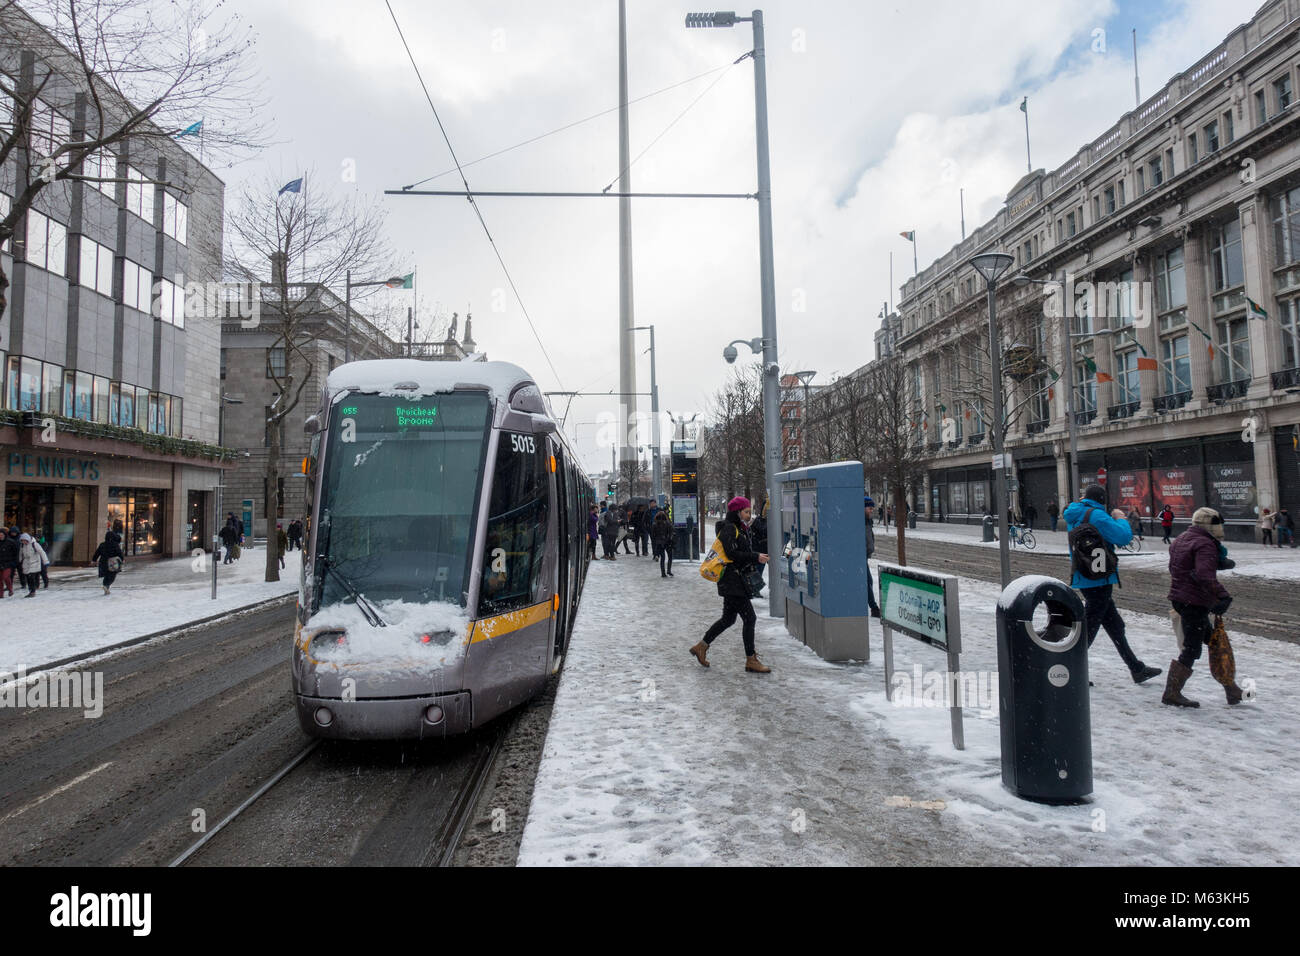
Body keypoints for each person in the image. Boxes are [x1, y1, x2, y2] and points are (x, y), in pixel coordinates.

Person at [1064, 484, 1162, 685]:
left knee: (1114, 626)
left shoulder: (1073, 514)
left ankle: (1136, 668)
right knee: (1089, 628)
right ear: (1102, 500)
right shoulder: (1097, 516)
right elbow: (1123, 537)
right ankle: (1068, 669)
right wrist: (1121, 518)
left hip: (1084, 574)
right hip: (1100, 578)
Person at [689, 496, 771, 673]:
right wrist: (755, 556)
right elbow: (732, 554)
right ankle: (751, 659)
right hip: (732, 581)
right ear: (737, 511)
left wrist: (755, 555)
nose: (749, 514)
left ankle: (701, 647)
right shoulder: (729, 528)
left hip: (734, 581)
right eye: (746, 511)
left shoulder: (739, 528)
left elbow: (740, 552)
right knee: (750, 618)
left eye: (749, 511)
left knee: (728, 619)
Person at [1166, 507, 1237, 707]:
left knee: (1214, 642)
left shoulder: (1182, 538)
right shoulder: (1205, 544)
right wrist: (1223, 596)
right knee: (1192, 649)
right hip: (1194, 601)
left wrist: (1217, 563)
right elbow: (1203, 575)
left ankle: (1232, 689)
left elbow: (1180, 566)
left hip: (1181, 598)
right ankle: (1172, 693)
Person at [863, 496, 881, 618]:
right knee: (867, 581)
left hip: (863, 556)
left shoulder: (868, 521)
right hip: (858, 557)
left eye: (872, 508)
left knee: (868, 581)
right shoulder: (860, 521)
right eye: (870, 508)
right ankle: (874, 608)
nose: (871, 510)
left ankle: (874, 608)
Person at [747, 498, 769, 597]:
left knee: (760, 570)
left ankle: (754, 589)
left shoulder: (759, 521)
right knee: (758, 571)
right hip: (760, 550)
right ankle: (754, 590)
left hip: (765, 549)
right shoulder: (758, 521)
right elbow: (763, 531)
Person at [92, 530, 124, 596]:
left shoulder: (102, 544)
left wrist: (94, 560)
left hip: (103, 562)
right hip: (112, 562)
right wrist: (122, 559)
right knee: (112, 575)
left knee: (106, 575)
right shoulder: (115, 545)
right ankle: (106, 586)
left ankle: (106, 586)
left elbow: (97, 553)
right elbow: (119, 553)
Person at [18, 533, 49, 598]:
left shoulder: (34, 544)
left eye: (24, 540)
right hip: (26, 563)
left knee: (31, 577)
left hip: (35, 562)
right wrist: (20, 560)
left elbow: (42, 552)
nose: (23, 542)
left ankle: (32, 591)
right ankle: (31, 590)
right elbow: (21, 554)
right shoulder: (22, 545)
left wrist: (45, 561)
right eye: (22, 540)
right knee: (28, 577)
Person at [652, 510, 674, 578]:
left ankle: (663, 573)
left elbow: (653, 535)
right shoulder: (668, 523)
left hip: (660, 542)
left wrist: (657, 540)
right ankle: (669, 570)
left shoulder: (655, 524)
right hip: (667, 542)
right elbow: (671, 532)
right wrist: (669, 538)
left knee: (663, 558)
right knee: (670, 557)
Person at [0, 527, 18, 598]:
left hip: (8, 563)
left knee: (6, 577)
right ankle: (1, 594)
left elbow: (16, 553)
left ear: (4, 535)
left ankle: (10, 589)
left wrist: (14, 562)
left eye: (1, 535)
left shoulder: (10, 542)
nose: (0, 536)